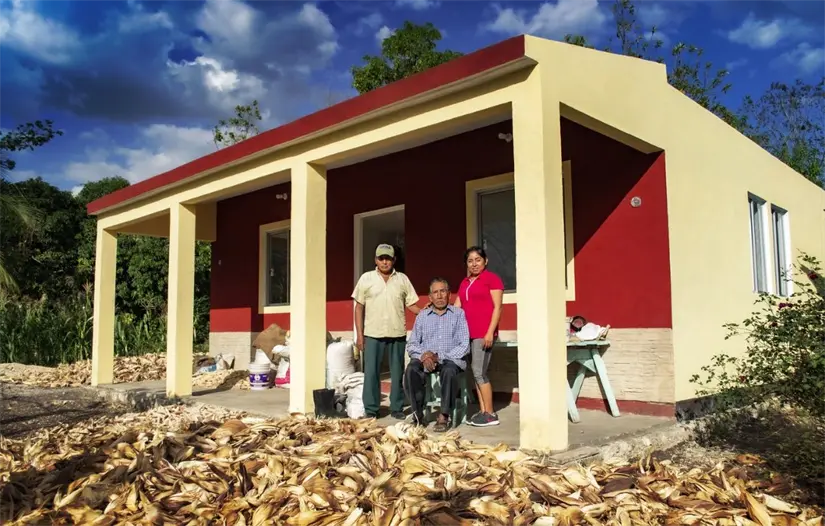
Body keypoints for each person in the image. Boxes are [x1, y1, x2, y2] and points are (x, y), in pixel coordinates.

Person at [352, 243, 421, 420]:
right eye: (381, 258)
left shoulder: (402, 279)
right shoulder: (366, 279)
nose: (384, 262)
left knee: (397, 372)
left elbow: (411, 304)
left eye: (388, 258)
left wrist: (427, 312)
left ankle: (396, 407)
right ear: (376, 260)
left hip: (397, 333)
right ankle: (372, 408)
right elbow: (359, 307)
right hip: (372, 334)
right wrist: (359, 335)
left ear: (394, 260)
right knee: (372, 373)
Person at [404, 277, 470, 432]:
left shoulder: (458, 314)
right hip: (426, 359)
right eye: (435, 292)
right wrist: (424, 356)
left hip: (450, 359)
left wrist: (438, 356)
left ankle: (444, 415)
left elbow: (464, 344)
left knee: (448, 370)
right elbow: (412, 343)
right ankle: (418, 414)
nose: (439, 296)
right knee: (411, 370)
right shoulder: (422, 316)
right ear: (430, 297)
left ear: (449, 294)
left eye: (443, 291)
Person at [455, 246, 504, 427]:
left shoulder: (492, 279)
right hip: (468, 334)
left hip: (483, 334)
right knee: (476, 374)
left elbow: (498, 307)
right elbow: (457, 307)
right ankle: (483, 411)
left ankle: (490, 413)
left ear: (485, 261)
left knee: (479, 372)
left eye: (478, 260)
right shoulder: (465, 282)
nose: (474, 264)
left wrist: (490, 332)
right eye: (470, 260)